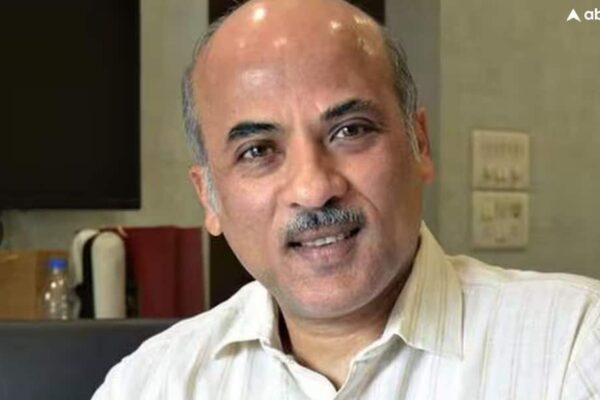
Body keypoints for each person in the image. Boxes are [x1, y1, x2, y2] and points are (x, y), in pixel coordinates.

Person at [93, 0, 600, 398]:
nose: (314, 188)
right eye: (258, 151)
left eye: (350, 130)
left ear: (420, 145)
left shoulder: (574, 345)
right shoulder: (148, 384)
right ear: (209, 197)